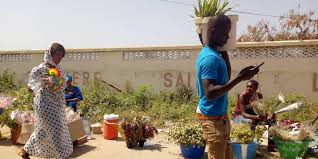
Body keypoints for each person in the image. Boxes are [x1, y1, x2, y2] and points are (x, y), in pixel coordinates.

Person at [195, 15, 260, 159]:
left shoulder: (216, 54)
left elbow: (225, 79)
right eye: (225, 33)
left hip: (220, 117)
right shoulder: (210, 58)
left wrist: (225, 53)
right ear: (212, 31)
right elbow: (210, 93)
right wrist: (240, 78)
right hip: (212, 118)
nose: (228, 37)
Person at [17, 43, 73, 159]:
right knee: (56, 131)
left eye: (62, 55)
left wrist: (58, 84)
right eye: (58, 54)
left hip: (57, 104)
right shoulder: (40, 69)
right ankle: (62, 156)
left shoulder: (58, 69)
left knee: (42, 131)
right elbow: (30, 87)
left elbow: (62, 85)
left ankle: (25, 150)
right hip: (45, 105)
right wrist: (42, 82)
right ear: (50, 54)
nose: (60, 58)